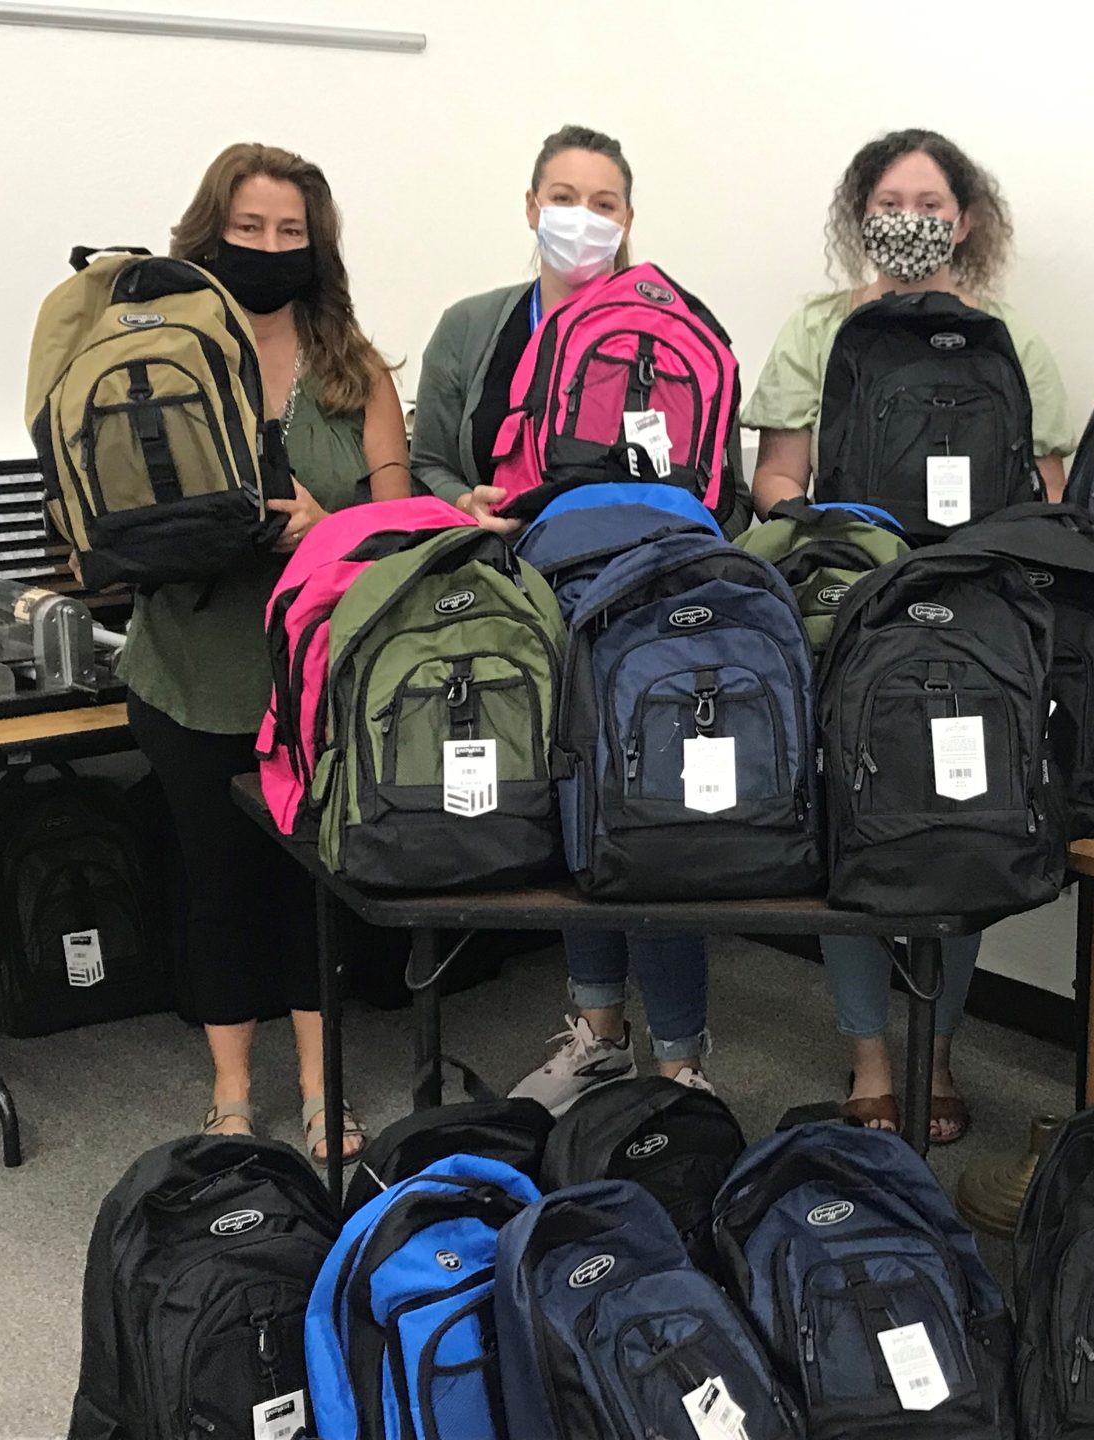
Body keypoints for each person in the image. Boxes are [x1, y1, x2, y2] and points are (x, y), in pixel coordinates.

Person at [743, 128, 1074, 1142]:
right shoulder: (816, 331)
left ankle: (939, 1053)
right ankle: (871, 1060)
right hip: (848, 600)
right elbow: (775, 477)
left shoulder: (1010, 341)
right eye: (891, 202)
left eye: (931, 205)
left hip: (974, 617)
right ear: (861, 214)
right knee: (853, 830)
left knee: (961, 829)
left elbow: (1047, 495)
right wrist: (830, 537)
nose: (910, 221)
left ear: (965, 223)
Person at [411, 125, 714, 1110]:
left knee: (653, 814)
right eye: (564, 196)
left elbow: (712, 475)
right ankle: (597, 1032)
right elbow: (428, 459)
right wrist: (464, 505)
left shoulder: (671, 331)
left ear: (629, 218)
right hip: (519, 600)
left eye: (604, 202)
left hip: (645, 601)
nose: (582, 217)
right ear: (531, 205)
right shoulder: (474, 327)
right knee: (566, 811)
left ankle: (680, 1058)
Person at [121, 142, 410, 1160]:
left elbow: (395, 527)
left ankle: (325, 1091)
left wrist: (327, 524)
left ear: (317, 246)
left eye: (291, 231)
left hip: (312, 684)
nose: (270, 246)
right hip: (188, 673)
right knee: (218, 884)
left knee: (309, 892)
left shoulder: (354, 369)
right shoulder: (154, 359)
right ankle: (233, 1094)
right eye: (249, 227)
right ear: (210, 234)